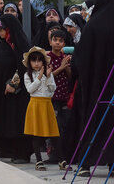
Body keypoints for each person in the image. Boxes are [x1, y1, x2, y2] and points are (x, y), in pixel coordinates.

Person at [64, 0, 114, 177]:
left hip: (94, 86)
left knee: (92, 120)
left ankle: (86, 164)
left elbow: (79, 58)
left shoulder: (92, 25)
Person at [0, 14, 32, 163]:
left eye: (2, 29)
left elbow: (24, 66)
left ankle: (22, 153)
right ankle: (6, 149)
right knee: (4, 120)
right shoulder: (3, 43)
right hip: (2, 91)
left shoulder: (19, 44)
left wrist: (13, 84)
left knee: (17, 121)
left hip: (17, 92)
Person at [22, 47, 67, 171]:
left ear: (43, 62)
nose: (36, 63)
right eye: (33, 61)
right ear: (29, 63)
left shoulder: (49, 74)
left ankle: (61, 160)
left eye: (39, 61)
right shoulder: (27, 75)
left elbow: (52, 89)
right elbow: (30, 89)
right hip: (35, 104)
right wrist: (39, 77)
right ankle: (38, 161)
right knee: (36, 134)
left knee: (53, 133)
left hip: (47, 104)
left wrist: (47, 77)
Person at [46, 29, 71, 165]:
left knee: (65, 125)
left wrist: (66, 66)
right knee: (54, 126)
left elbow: (70, 76)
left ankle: (64, 154)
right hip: (52, 97)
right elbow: (47, 77)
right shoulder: (47, 57)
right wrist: (61, 67)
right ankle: (53, 155)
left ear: (64, 43)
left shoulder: (65, 57)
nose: (57, 43)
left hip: (64, 96)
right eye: (55, 40)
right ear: (50, 41)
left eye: (60, 41)